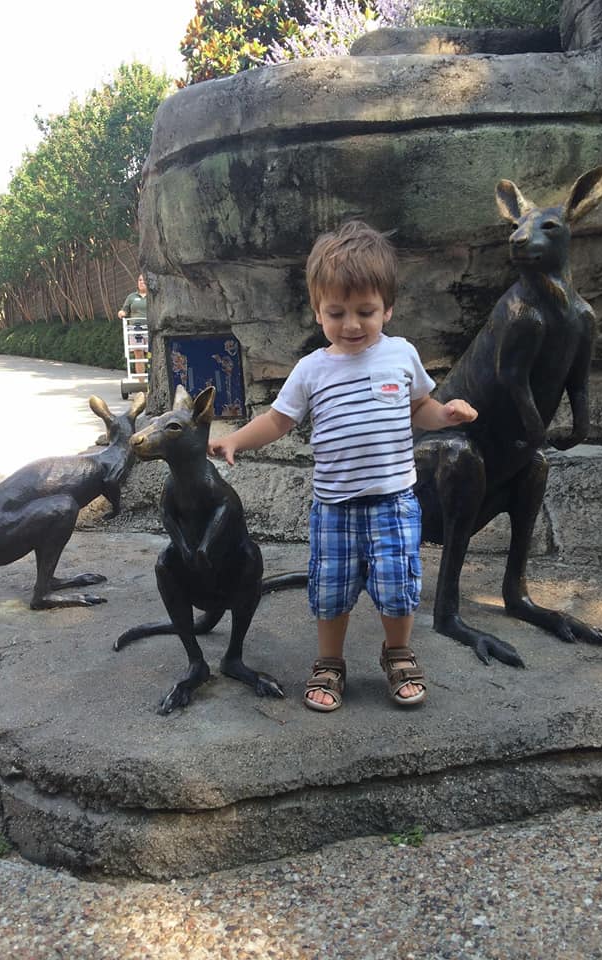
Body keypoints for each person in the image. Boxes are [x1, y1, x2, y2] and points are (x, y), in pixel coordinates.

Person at [208, 221, 478, 712]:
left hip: (394, 502)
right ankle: (329, 662)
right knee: (329, 591)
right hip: (334, 507)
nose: (352, 324)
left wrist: (446, 414)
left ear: (388, 308)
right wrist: (236, 441)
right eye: (336, 313)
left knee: (399, 587)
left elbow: (421, 407)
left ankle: (398, 653)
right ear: (317, 310)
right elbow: (278, 419)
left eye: (365, 312)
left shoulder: (401, 355)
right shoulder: (312, 369)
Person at [118, 274, 148, 379]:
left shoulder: (153, 296)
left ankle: (153, 383)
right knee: (138, 355)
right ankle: (141, 383)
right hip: (136, 330)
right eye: (139, 280)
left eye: (144, 280)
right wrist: (121, 313)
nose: (141, 282)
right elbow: (125, 310)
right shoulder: (132, 297)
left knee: (152, 355)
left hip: (151, 329)